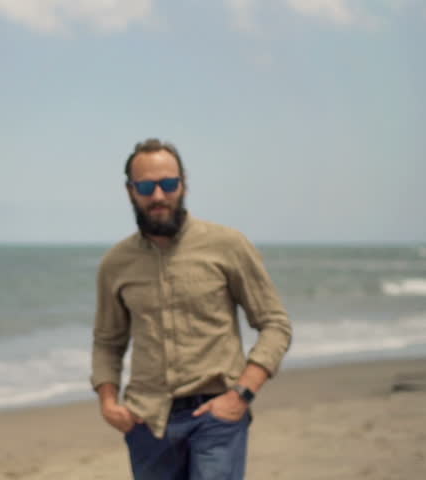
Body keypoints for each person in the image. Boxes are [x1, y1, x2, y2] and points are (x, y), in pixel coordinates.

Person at [90, 138, 292, 480]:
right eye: (146, 186)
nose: (158, 196)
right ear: (130, 191)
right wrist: (108, 402)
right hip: (146, 425)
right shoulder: (115, 263)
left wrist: (242, 393)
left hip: (216, 416)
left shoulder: (228, 245)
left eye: (168, 184)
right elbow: (108, 340)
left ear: (183, 184)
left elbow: (275, 324)